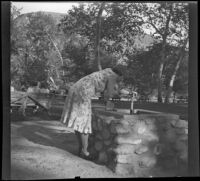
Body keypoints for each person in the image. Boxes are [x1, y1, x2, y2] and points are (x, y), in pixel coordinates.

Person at [60, 67, 123, 160]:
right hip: (82, 93)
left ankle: (81, 148)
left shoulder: (104, 73)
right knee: (84, 123)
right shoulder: (113, 76)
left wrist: (112, 91)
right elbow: (109, 93)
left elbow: (105, 93)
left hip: (75, 90)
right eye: (121, 79)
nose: (120, 81)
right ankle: (85, 152)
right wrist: (119, 93)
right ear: (119, 75)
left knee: (78, 122)